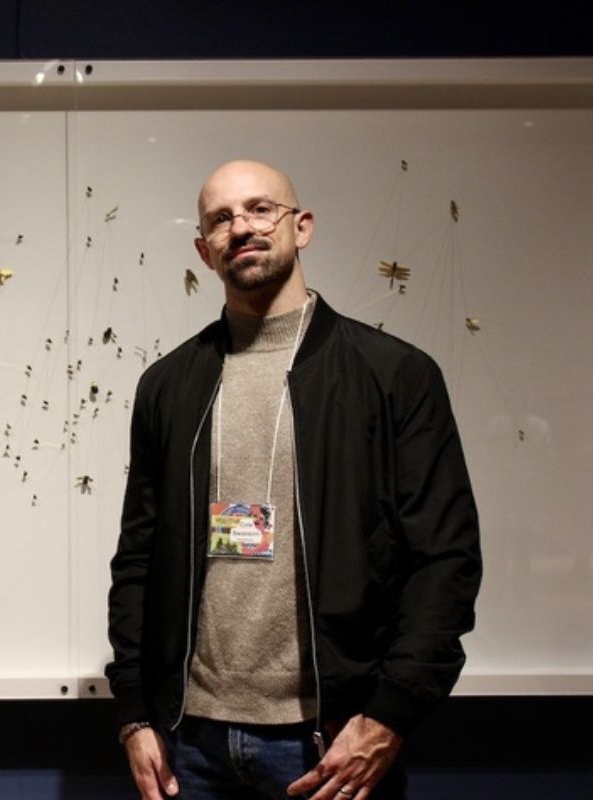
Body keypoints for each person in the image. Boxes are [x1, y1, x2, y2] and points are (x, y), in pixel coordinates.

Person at [106, 160, 481, 800]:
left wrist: (391, 713)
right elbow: (138, 559)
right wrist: (135, 715)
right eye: (220, 219)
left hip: (328, 741)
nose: (241, 228)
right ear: (204, 249)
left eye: (260, 209)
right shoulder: (168, 386)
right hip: (188, 745)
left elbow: (445, 560)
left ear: (300, 226)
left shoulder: (394, 376)